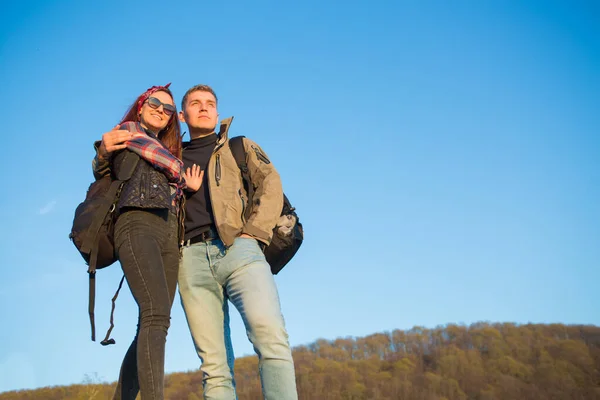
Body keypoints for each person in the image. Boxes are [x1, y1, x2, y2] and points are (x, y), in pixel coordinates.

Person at [98, 84, 298, 399]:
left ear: (217, 112)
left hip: (238, 250)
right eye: (195, 103)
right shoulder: (167, 154)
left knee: (270, 339)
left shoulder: (237, 146)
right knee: (214, 367)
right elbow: (115, 172)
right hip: (189, 260)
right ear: (183, 114)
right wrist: (103, 149)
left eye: (209, 103)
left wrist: (253, 233)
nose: (203, 107)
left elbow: (270, 183)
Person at [93, 83, 199, 400]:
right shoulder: (126, 133)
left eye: (168, 109)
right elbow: (104, 167)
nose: (161, 110)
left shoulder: (167, 152)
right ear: (141, 105)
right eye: (155, 102)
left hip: (169, 233)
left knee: (156, 322)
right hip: (136, 221)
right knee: (154, 312)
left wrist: (185, 187)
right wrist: (102, 150)